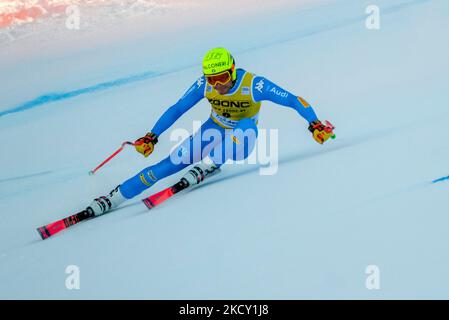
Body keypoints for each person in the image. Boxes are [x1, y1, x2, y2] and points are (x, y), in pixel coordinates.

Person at [86, 47, 335, 216]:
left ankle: (208, 165)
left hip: (242, 140)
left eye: (223, 77)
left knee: (246, 125)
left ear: (233, 70)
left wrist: (314, 124)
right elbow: (177, 109)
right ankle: (116, 196)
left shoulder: (254, 84)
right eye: (212, 79)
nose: (218, 85)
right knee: (167, 165)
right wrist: (152, 135)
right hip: (213, 131)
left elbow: (294, 100)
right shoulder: (204, 85)